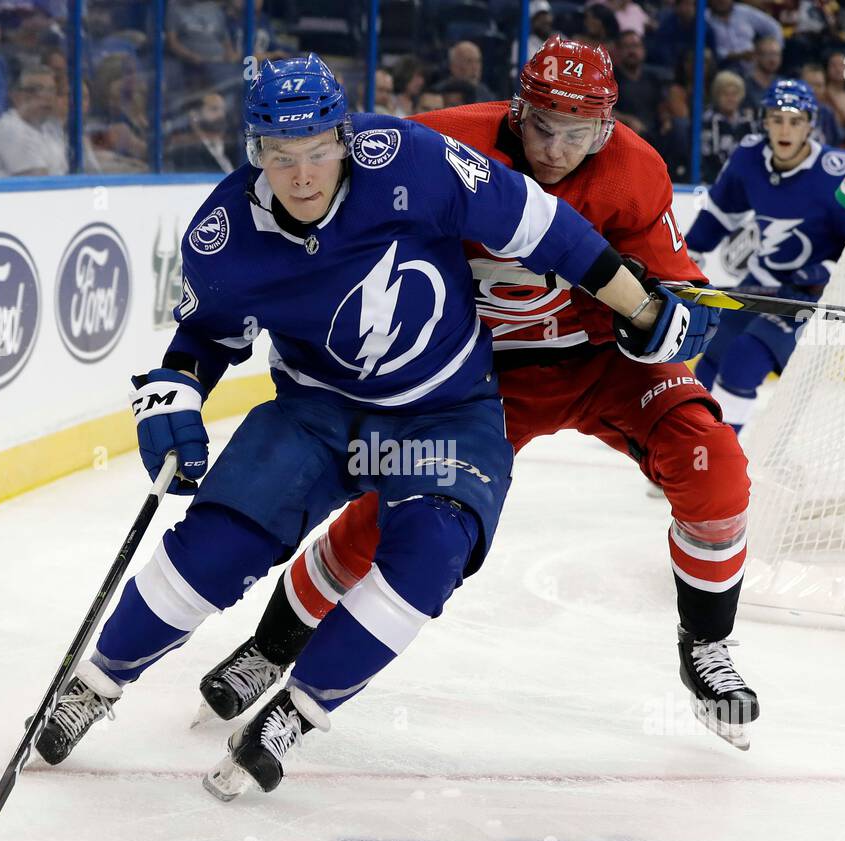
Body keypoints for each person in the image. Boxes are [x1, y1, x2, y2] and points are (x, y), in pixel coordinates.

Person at [33, 52, 722, 797]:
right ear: (253, 152)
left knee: (430, 551)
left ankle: (292, 715)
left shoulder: (414, 163)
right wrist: (176, 386)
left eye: (319, 150)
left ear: (346, 135)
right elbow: (208, 337)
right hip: (318, 414)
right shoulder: (222, 236)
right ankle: (95, 684)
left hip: (446, 413)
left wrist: (647, 309)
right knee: (219, 543)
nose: (303, 176)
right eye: (281, 156)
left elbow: (553, 232)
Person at [191, 37, 758, 756]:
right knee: (383, 520)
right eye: (542, 126)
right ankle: (271, 648)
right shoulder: (441, 144)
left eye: (578, 134)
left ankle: (706, 644)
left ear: (607, 129)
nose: (555, 150)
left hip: (601, 362)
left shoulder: (636, 169)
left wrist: (674, 321)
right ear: (516, 109)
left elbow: (676, 298)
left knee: (713, 463)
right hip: (482, 379)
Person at [687, 78, 845, 432]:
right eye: (777, 118)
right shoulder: (749, 157)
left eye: (795, 121)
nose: (785, 129)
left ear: (811, 125)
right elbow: (721, 212)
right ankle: (687, 445)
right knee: (713, 356)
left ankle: (716, 459)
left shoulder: (837, 173)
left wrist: (825, 271)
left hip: (810, 298)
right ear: (764, 121)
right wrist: (689, 252)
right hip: (763, 282)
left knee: (743, 360)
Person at [0, 61, 67, 176]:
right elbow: (38, 185)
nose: (47, 97)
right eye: (37, 90)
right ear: (17, 96)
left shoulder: (50, 127)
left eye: (51, 90)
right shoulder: (11, 129)